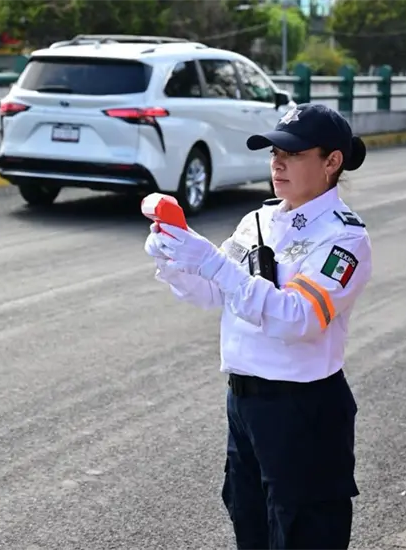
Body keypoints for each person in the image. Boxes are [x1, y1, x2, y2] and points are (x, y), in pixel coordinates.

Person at [144, 103, 372, 550]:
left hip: (301, 409)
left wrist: (210, 260)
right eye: (273, 152)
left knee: (303, 531)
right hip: (245, 403)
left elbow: (298, 318)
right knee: (250, 524)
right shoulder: (257, 221)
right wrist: (174, 259)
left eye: (293, 153)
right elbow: (213, 294)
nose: (277, 163)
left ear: (331, 162)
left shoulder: (344, 238)